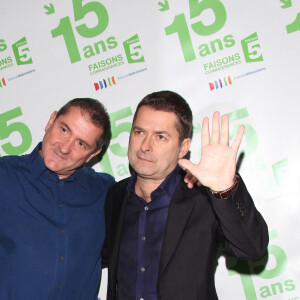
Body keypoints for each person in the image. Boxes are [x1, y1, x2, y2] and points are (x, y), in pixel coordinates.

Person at [102, 91, 269, 300]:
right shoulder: (115, 196)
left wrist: (225, 190)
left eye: (160, 137)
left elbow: (252, 248)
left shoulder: (204, 198)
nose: (145, 146)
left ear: (183, 147)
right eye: (139, 132)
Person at [0, 98, 115, 299]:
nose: (64, 148)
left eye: (81, 143)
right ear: (51, 120)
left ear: (93, 154)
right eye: (64, 130)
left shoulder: (106, 192)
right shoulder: (4, 175)